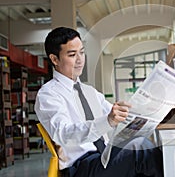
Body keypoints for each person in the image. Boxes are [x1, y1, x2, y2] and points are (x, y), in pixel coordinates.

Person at [34, 27, 163, 177]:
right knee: (140, 149)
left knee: (145, 150)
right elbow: (64, 134)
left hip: (103, 158)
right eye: (72, 54)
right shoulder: (48, 94)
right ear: (54, 59)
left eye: (82, 52)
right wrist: (108, 121)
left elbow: (119, 119)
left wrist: (150, 112)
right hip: (81, 167)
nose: (80, 59)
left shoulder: (89, 92)